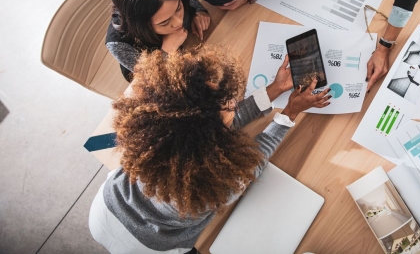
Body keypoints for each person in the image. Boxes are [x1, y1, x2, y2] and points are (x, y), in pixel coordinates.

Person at [89, 45, 331, 253]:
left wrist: (275, 89)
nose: (234, 104)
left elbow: (211, 121)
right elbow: (254, 161)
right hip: (150, 247)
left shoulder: (153, 136)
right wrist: (289, 114)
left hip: (105, 208)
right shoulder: (213, 186)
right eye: (227, 105)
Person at [105, 0, 211, 82]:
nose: (178, 22)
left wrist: (198, 11)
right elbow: (152, 79)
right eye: (164, 22)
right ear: (142, 26)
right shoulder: (119, 44)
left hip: (195, 44)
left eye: (178, 8)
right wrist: (167, 51)